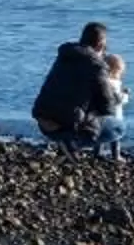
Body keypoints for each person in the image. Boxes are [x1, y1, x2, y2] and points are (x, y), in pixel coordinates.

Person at [31, 20, 127, 156]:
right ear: (100, 45)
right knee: (118, 127)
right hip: (67, 124)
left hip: (44, 121)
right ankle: (74, 143)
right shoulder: (97, 66)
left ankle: (65, 142)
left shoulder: (64, 56)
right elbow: (108, 107)